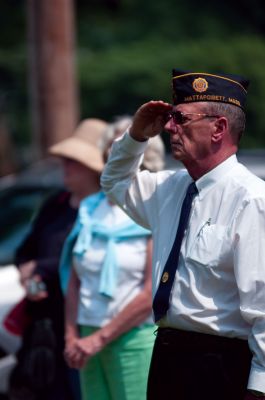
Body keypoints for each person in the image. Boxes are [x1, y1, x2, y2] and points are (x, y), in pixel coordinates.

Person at [100, 70, 265, 400]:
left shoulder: (251, 199)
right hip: (168, 355)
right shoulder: (170, 187)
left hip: (222, 363)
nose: (170, 127)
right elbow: (114, 183)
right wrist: (135, 136)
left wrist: (259, 388)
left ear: (218, 128)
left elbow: (262, 304)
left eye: (180, 118)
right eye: (170, 118)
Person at [62, 117, 165, 400]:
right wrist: (71, 336)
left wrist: (100, 338)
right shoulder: (89, 207)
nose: (116, 149)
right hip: (86, 335)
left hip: (133, 339)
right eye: (113, 143)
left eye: (127, 141)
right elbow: (73, 280)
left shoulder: (151, 210)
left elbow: (149, 291)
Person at [9, 118, 108, 400]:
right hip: (44, 325)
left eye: (73, 161)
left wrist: (40, 268)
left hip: (82, 325)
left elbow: (87, 259)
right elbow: (25, 250)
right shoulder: (56, 203)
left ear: (92, 168)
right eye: (65, 160)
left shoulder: (105, 211)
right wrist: (29, 274)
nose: (65, 166)